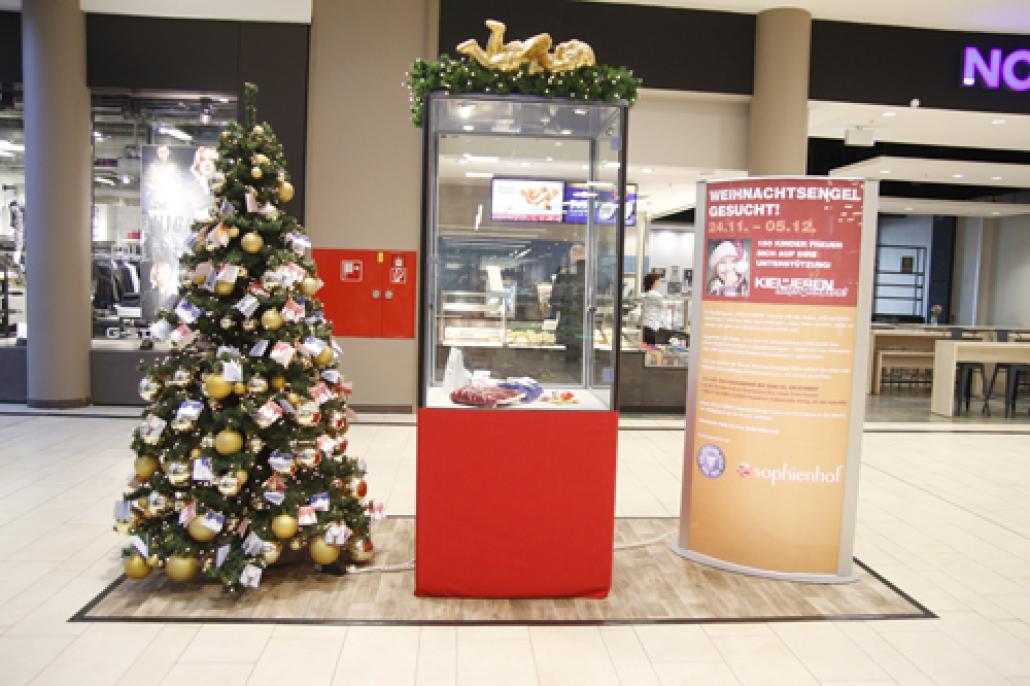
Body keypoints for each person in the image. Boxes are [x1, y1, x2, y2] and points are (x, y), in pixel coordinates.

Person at [550, 244, 586, 381]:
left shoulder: (564, 273)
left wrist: (554, 312)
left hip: (568, 324)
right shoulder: (595, 274)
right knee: (583, 360)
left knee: (568, 362)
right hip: (585, 326)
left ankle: (570, 384)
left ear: (573, 256)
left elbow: (555, 299)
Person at [639, 272, 664, 345]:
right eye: (658, 281)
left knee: (646, 348)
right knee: (651, 350)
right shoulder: (656, 295)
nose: (659, 283)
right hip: (652, 326)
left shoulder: (645, 294)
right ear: (654, 282)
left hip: (645, 326)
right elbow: (663, 308)